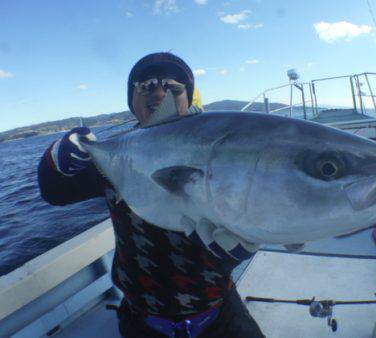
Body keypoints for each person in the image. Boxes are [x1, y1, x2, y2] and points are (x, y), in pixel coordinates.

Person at [38, 52, 265, 338]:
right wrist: (54, 161)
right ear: (131, 100)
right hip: (141, 320)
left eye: (173, 87)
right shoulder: (114, 157)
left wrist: (239, 246)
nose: (159, 93)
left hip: (220, 313)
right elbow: (55, 193)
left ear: (187, 98)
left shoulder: (217, 153)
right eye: (145, 86)